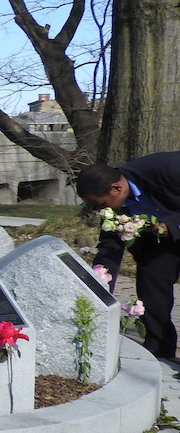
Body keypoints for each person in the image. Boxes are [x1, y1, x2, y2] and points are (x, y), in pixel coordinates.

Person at [77, 154, 180, 360]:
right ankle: (159, 347)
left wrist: (172, 224)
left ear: (116, 188)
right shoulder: (112, 205)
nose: (101, 210)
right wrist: (100, 282)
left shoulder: (168, 169)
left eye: (102, 204)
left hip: (174, 224)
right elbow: (110, 247)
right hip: (160, 241)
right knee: (151, 281)